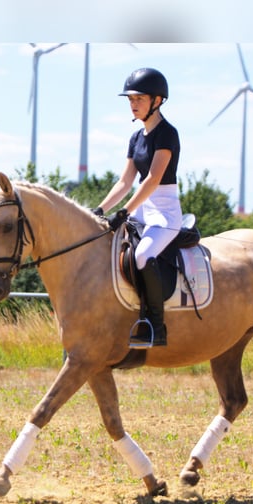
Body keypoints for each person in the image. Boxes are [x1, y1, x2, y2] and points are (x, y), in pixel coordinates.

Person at [93, 67, 182, 348]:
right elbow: (125, 181)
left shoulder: (167, 134)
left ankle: (156, 325)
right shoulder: (136, 138)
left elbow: (153, 178)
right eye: (130, 99)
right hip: (142, 207)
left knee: (142, 255)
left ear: (157, 101)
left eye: (139, 99)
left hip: (164, 211)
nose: (133, 104)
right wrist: (100, 209)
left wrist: (125, 211)